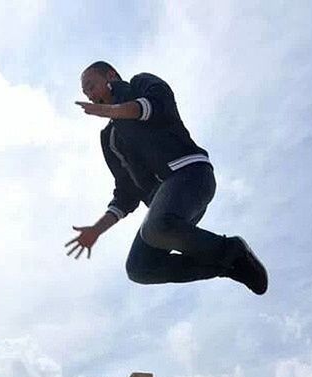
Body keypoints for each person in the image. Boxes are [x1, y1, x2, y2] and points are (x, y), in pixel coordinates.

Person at [67, 61, 268, 295]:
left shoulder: (139, 84)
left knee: (155, 229)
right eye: (86, 93)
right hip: (165, 204)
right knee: (140, 267)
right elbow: (126, 193)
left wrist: (115, 110)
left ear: (110, 75)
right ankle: (230, 266)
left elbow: (158, 106)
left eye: (92, 86)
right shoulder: (109, 138)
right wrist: (96, 230)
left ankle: (232, 250)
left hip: (191, 175)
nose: (90, 96)